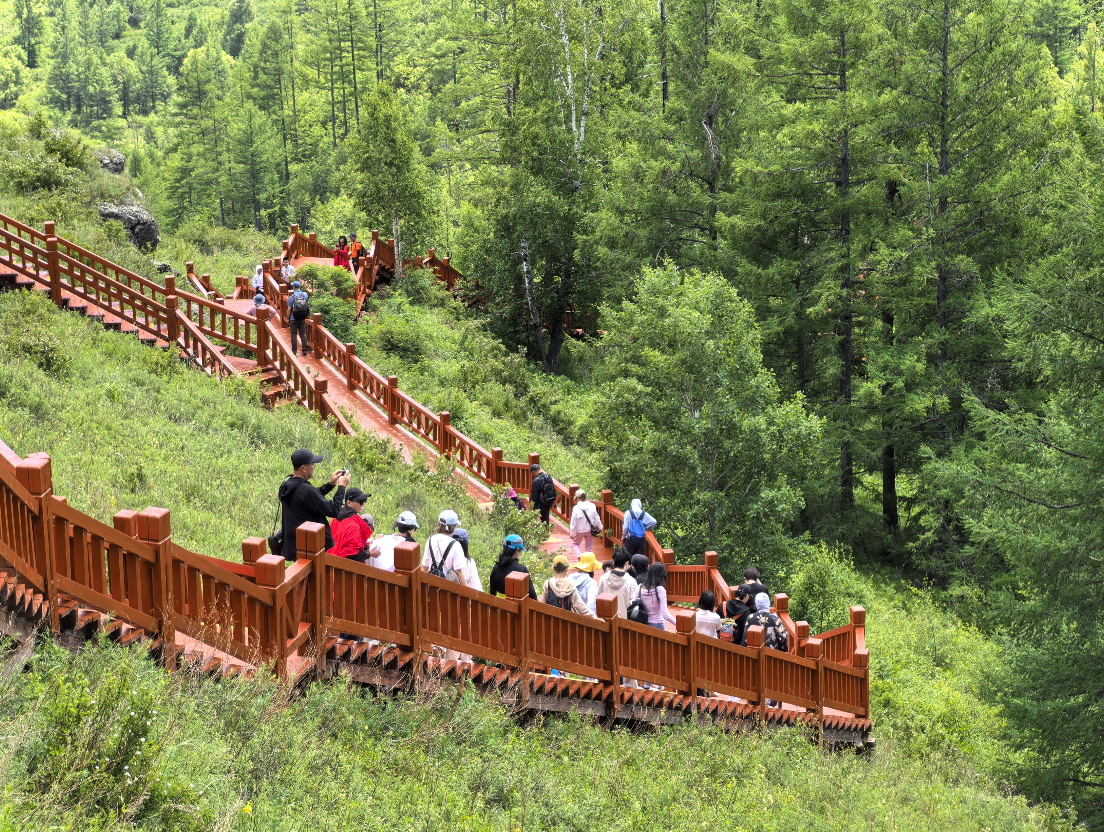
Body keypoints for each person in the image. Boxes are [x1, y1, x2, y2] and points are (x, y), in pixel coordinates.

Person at [277, 449, 349, 561]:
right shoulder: (306, 489)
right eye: (312, 464)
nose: (314, 466)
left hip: (296, 545)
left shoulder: (288, 484)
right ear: (304, 468)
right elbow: (334, 510)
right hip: (311, 548)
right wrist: (342, 487)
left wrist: (330, 484)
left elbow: (310, 498)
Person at [422, 510, 480, 589]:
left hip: (431, 587)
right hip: (447, 590)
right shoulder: (455, 545)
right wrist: (466, 590)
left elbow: (425, 567)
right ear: (452, 527)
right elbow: (459, 572)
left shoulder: (430, 540)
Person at [328, 488, 373, 559]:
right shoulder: (353, 526)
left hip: (332, 559)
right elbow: (352, 556)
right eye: (360, 501)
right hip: (343, 565)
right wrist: (369, 554)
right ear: (349, 503)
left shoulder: (335, 518)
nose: (363, 504)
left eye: (364, 500)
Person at [488, 535, 537, 599]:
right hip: (516, 605)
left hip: (499, 604)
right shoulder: (522, 570)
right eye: (521, 550)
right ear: (517, 551)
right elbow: (532, 594)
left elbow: (492, 592)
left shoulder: (496, 567)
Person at [596, 548, 637, 617]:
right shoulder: (631, 581)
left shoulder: (603, 578)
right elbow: (632, 604)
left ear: (614, 563)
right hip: (624, 620)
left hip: (607, 619)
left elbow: (598, 598)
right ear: (627, 563)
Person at [639, 561, 675, 630]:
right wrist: (678, 624)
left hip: (643, 623)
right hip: (658, 624)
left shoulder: (640, 587)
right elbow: (665, 615)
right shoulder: (660, 590)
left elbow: (632, 602)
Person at [569, 490, 601, 557]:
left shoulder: (576, 508)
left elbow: (573, 522)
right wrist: (600, 527)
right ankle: (588, 559)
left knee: (575, 544)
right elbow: (596, 517)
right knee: (589, 548)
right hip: (589, 530)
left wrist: (572, 533)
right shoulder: (592, 505)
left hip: (579, 531)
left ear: (577, 498)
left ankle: (579, 556)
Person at [287, 280, 311, 357]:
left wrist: (288, 318)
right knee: (303, 333)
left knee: (294, 334)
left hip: (293, 318)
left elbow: (289, 309)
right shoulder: (305, 295)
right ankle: (304, 350)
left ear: (293, 287)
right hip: (302, 317)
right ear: (299, 286)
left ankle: (294, 351)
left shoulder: (292, 297)